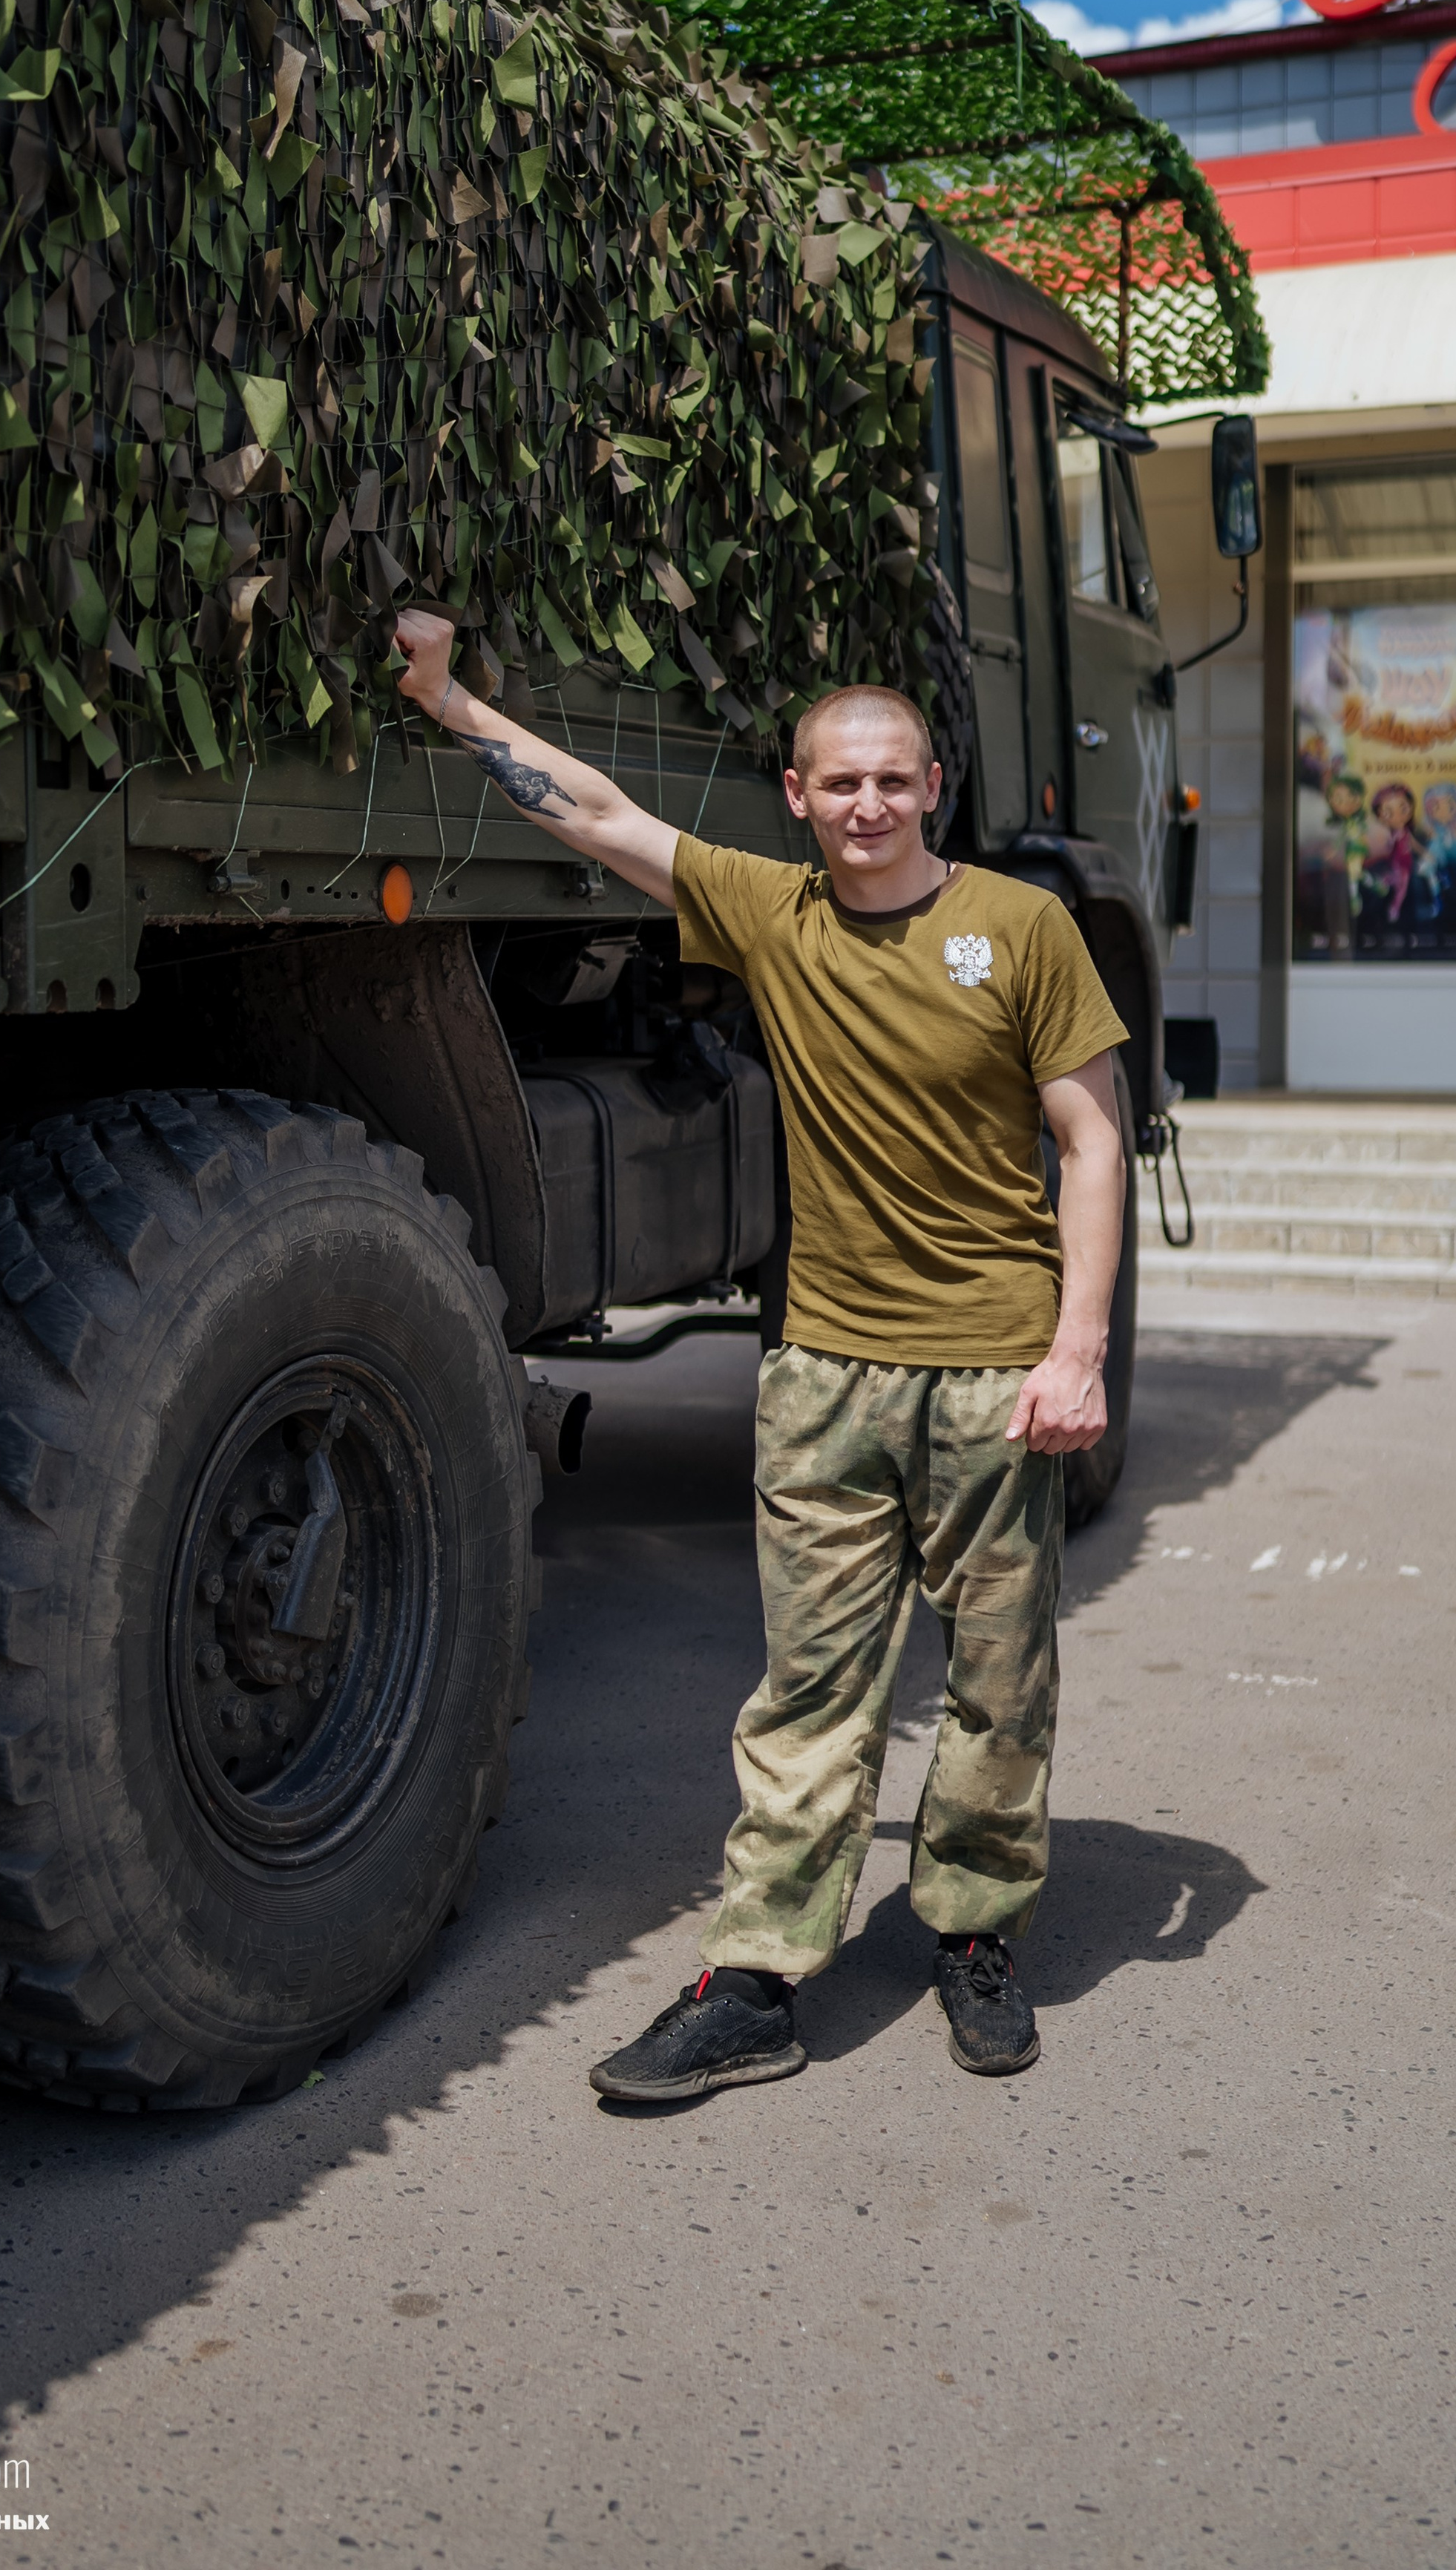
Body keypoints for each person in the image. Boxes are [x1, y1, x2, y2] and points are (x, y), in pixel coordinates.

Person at [393, 612, 1129, 2098]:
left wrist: (1077, 1352)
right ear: (796, 799)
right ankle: (758, 1978)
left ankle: (971, 1935)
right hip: (821, 1376)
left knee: (998, 1680)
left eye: (891, 781)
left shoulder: (1020, 927)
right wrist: (444, 697)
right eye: (836, 785)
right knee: (807, 1688)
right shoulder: (767, 916)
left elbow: (1091, 1138)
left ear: (932, 784)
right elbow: (594, 812)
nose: (866, 806)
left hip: (993, 1369)